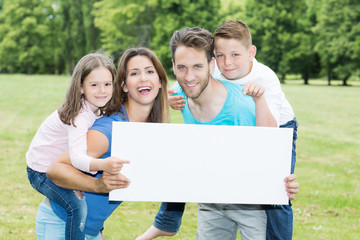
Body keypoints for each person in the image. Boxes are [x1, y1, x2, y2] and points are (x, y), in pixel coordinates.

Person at [139, 27, 299, 240]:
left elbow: (270, 138)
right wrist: (169, 99)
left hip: (281, 126)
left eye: (235, 55)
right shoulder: (198, 79)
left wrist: (277, 180)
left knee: (278, 196)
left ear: (251, 53)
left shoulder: (264, 80)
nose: (228, 63)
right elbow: (184, 83)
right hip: (215, 195)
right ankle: (166, 222)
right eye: (221, 55)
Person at [35, 47, 183, 239]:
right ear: (124, 85)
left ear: (160, 81)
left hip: (91, 229)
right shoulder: (109, 128)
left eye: (149, 71)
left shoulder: (148, 130)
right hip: (62, 224)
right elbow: (56, 170)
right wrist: (98, 186)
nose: (143, 78)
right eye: (134, 73)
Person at [26, 51, 127, 240]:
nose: (102, 91)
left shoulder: (99, 106)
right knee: (76, 206)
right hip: (40, 172)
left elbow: (131, 100)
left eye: (107, 84)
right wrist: (103, 165)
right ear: (81, 87)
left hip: (54, 164)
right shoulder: (80, 116)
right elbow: (77, 159)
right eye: (94, 85)